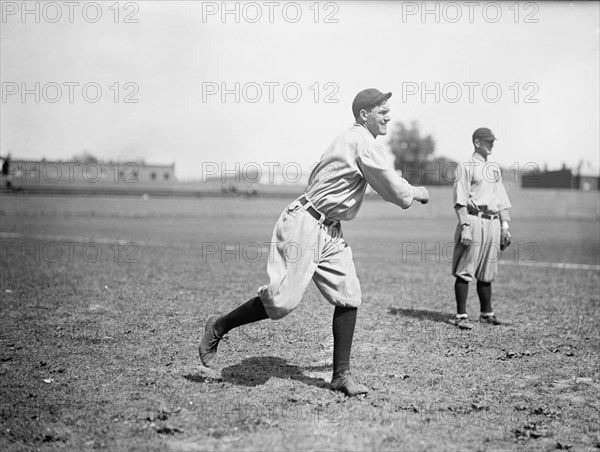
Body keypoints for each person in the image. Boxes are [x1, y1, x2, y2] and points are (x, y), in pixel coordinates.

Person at [199, 88, 430, 397]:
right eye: (381, 110)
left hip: (330, 229)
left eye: (389, 110)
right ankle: (219, 326)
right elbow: (395, 192)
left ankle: (340, 376)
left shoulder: (355, 140)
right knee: (281, 303)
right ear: (364, 115)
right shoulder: (361, 141)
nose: (388, 115)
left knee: (349, 295)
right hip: (306, 223)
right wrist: (416, 191)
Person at [451, 127, 512, 330]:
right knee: (465, 268)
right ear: (477, 142)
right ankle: (461, 315)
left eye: (493, 140)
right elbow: (460, 200)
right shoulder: (465, 166)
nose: (491, 144)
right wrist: (465, 226)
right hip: (473, 219)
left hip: (493, 221)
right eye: (487, 141)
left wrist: (505, 226)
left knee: (488, 269)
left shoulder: (494, 168)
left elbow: (501, 199)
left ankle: (486, 313)